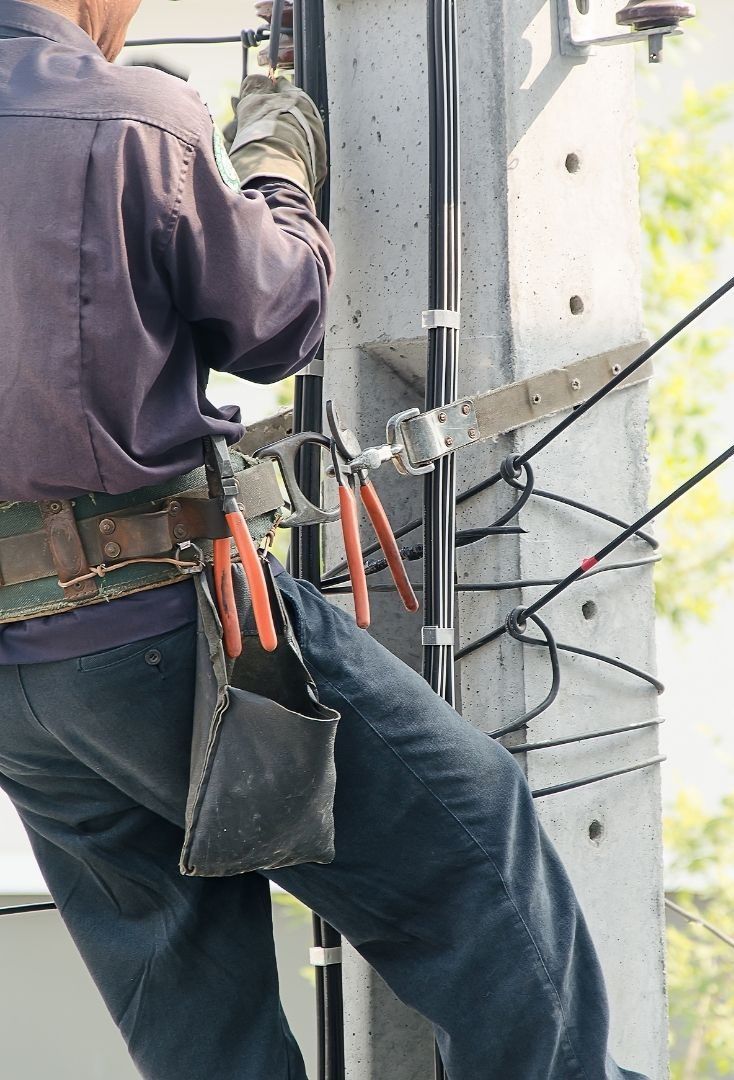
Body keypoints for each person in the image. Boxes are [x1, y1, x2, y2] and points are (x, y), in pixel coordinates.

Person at [0, 2, 652, 1078]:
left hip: (23, 684)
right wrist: (273, 165)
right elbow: (277, 318)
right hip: (169, 624)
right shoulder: (130, 117)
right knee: (473, 848)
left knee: (195, 1011)